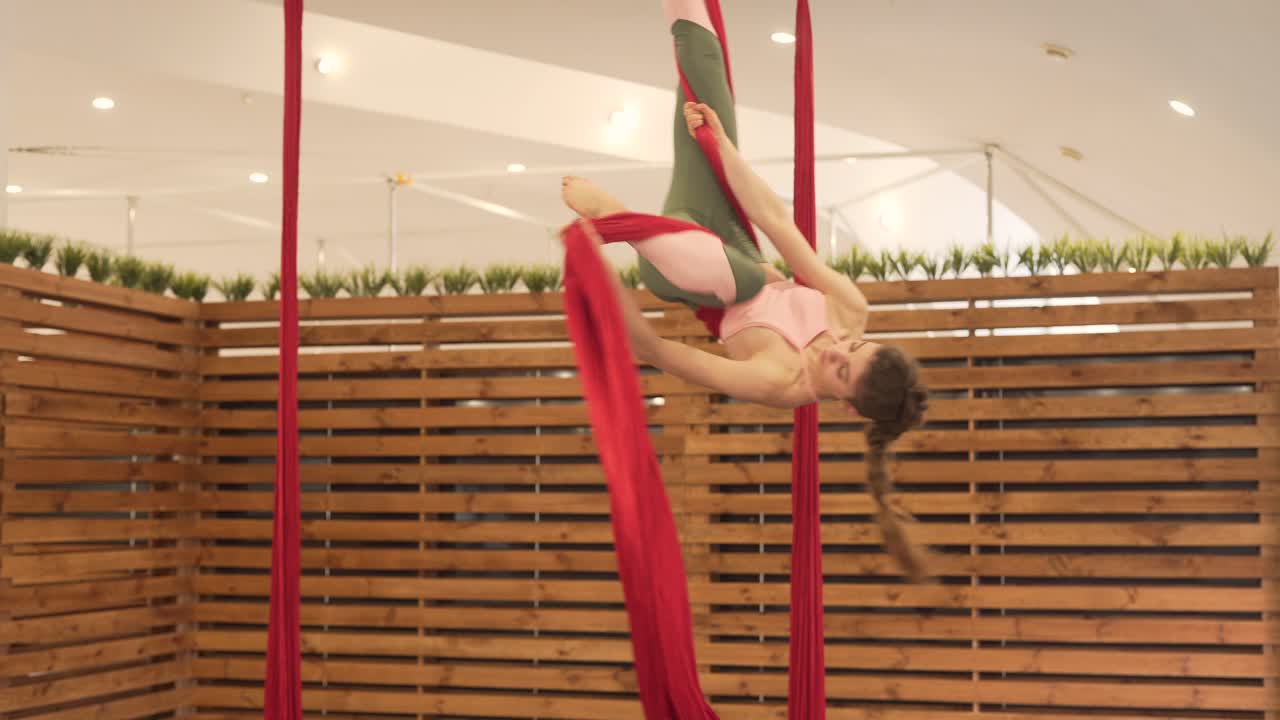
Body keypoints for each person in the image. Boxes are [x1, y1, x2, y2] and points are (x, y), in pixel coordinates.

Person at [559, 0, 930, 581]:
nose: (834, 349)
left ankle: (627, 222)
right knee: (703, 65)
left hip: (683, 272)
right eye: (852, 350)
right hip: (721, 222)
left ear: (847, 405)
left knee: (750, 278)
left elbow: (659, 353)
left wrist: (603, 266)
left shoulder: (780, 380)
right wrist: (719, 145)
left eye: (839, 371)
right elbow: (777, 222)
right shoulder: (850, 310)